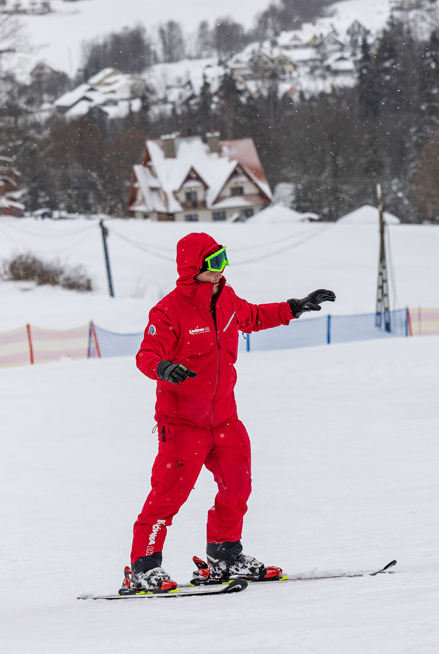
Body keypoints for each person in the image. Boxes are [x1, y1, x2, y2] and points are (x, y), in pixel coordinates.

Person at [123, 232, 335, 593]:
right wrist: (163, 368)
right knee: (168, 494)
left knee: (237, 485)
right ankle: (144, 566)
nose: (223, 269)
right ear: (194, 269)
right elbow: (146, 354)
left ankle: (223, 555)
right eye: (215, 262)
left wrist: (294, 306)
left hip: (223, 418)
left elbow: (252, 316)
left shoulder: (227, 299)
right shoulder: (168, 311)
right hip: (182, 424)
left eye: (224, 258)